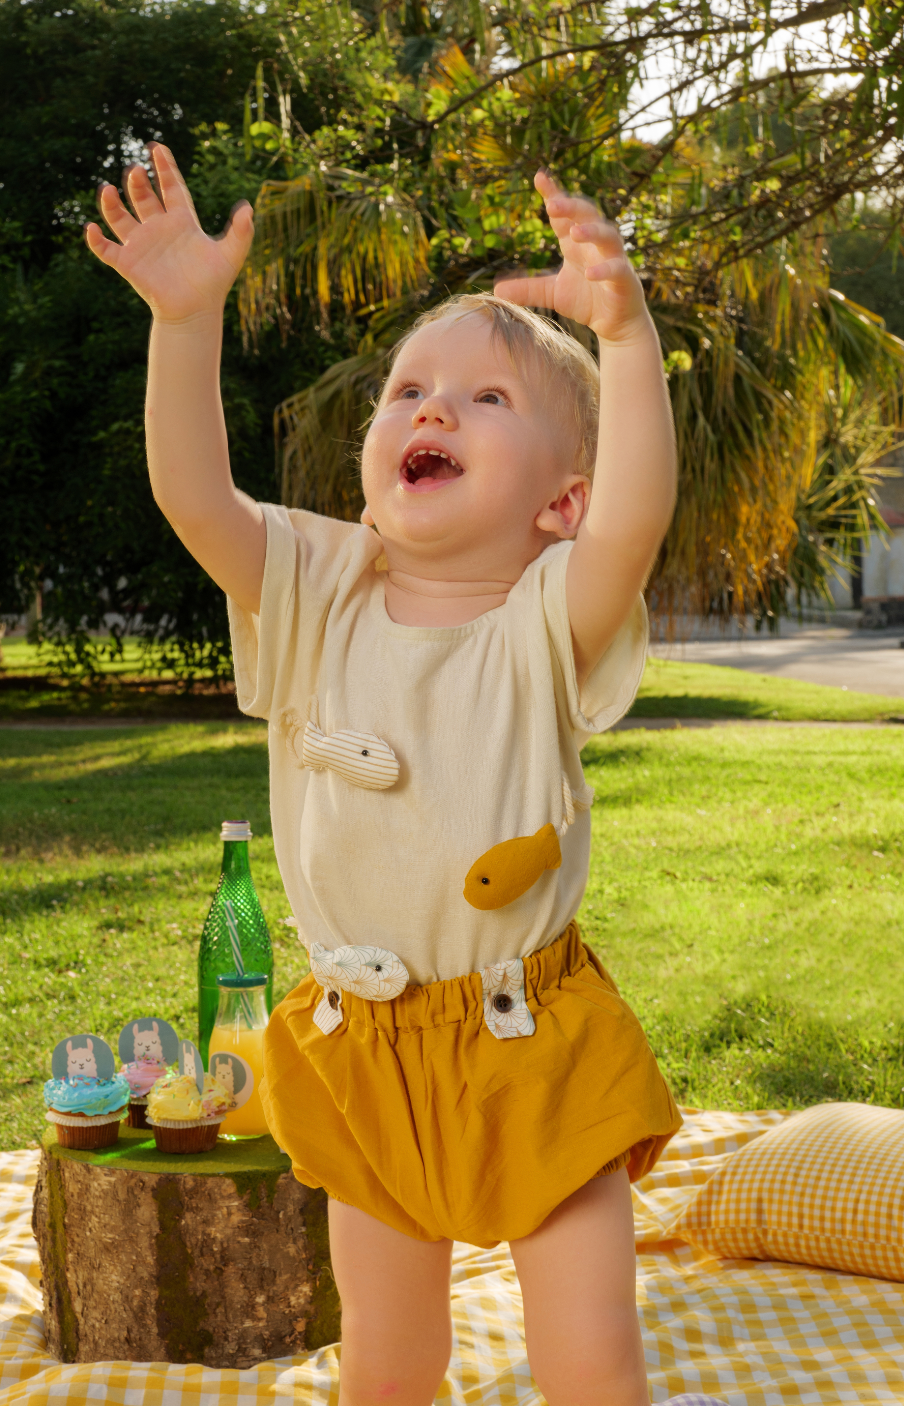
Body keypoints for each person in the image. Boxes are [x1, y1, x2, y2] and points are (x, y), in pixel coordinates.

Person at [86, 145, 727, 1406]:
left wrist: (627, 337)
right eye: (409, 391)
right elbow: (194, 496)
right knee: (386, 1361)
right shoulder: (318, 589)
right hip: (360, 1046)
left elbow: (637, 518)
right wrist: (186, 320)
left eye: (485, 398)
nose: (430, 411)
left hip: (529, 1042)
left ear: (561, 503)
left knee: (590, 1359)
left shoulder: (547, 616)